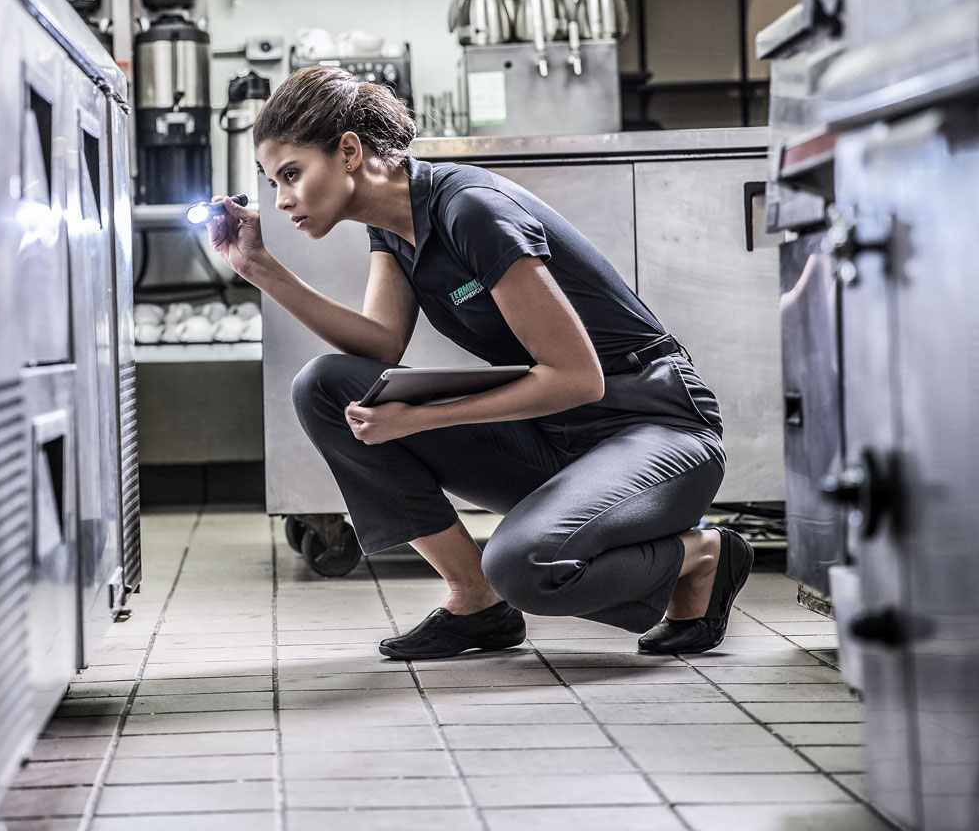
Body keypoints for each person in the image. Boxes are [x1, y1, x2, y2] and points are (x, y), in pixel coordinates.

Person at [207, 65, 749, 658]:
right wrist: (258, 267)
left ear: (350, 152)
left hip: (656, 427)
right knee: (326, 386)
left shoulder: (470, 209)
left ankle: (702, 555)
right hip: (555, 435)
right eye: (272, 181)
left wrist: (422, 418)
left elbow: (577, 378)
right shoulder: (394, 227)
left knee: (524, 565)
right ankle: (476, 601)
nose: (282, 200)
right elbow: (380, 345)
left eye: (291, 174)